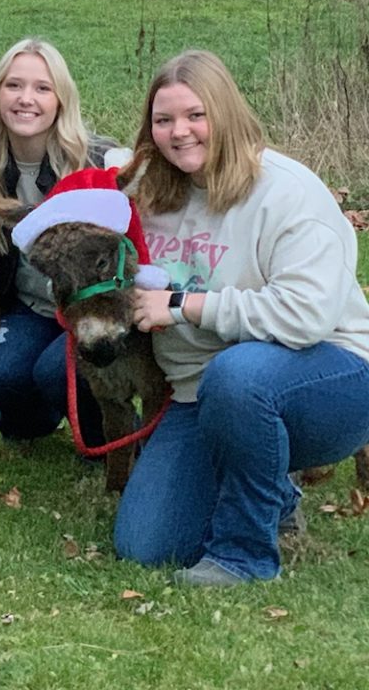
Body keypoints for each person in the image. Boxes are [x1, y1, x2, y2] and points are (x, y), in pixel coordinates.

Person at [114, 49, 369, 586]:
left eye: (195, 115)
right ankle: (273, 489)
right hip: (199, 396)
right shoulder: (147, 192)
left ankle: (244, 556)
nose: (179, 132)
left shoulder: (287, 192)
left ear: (225, 113)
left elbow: (303, 317)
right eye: (164, 120)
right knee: (145, 544)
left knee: (238, 375)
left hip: (329, 377)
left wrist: (183, 305)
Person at [0, 38, 131, 450]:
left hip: (92, 307)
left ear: (61, 99)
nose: (26, 99)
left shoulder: (102, 160)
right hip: (32, 307)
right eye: (13, 86)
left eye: (42, 88)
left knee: (58, 370)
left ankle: (107, 439)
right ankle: (33, 420)